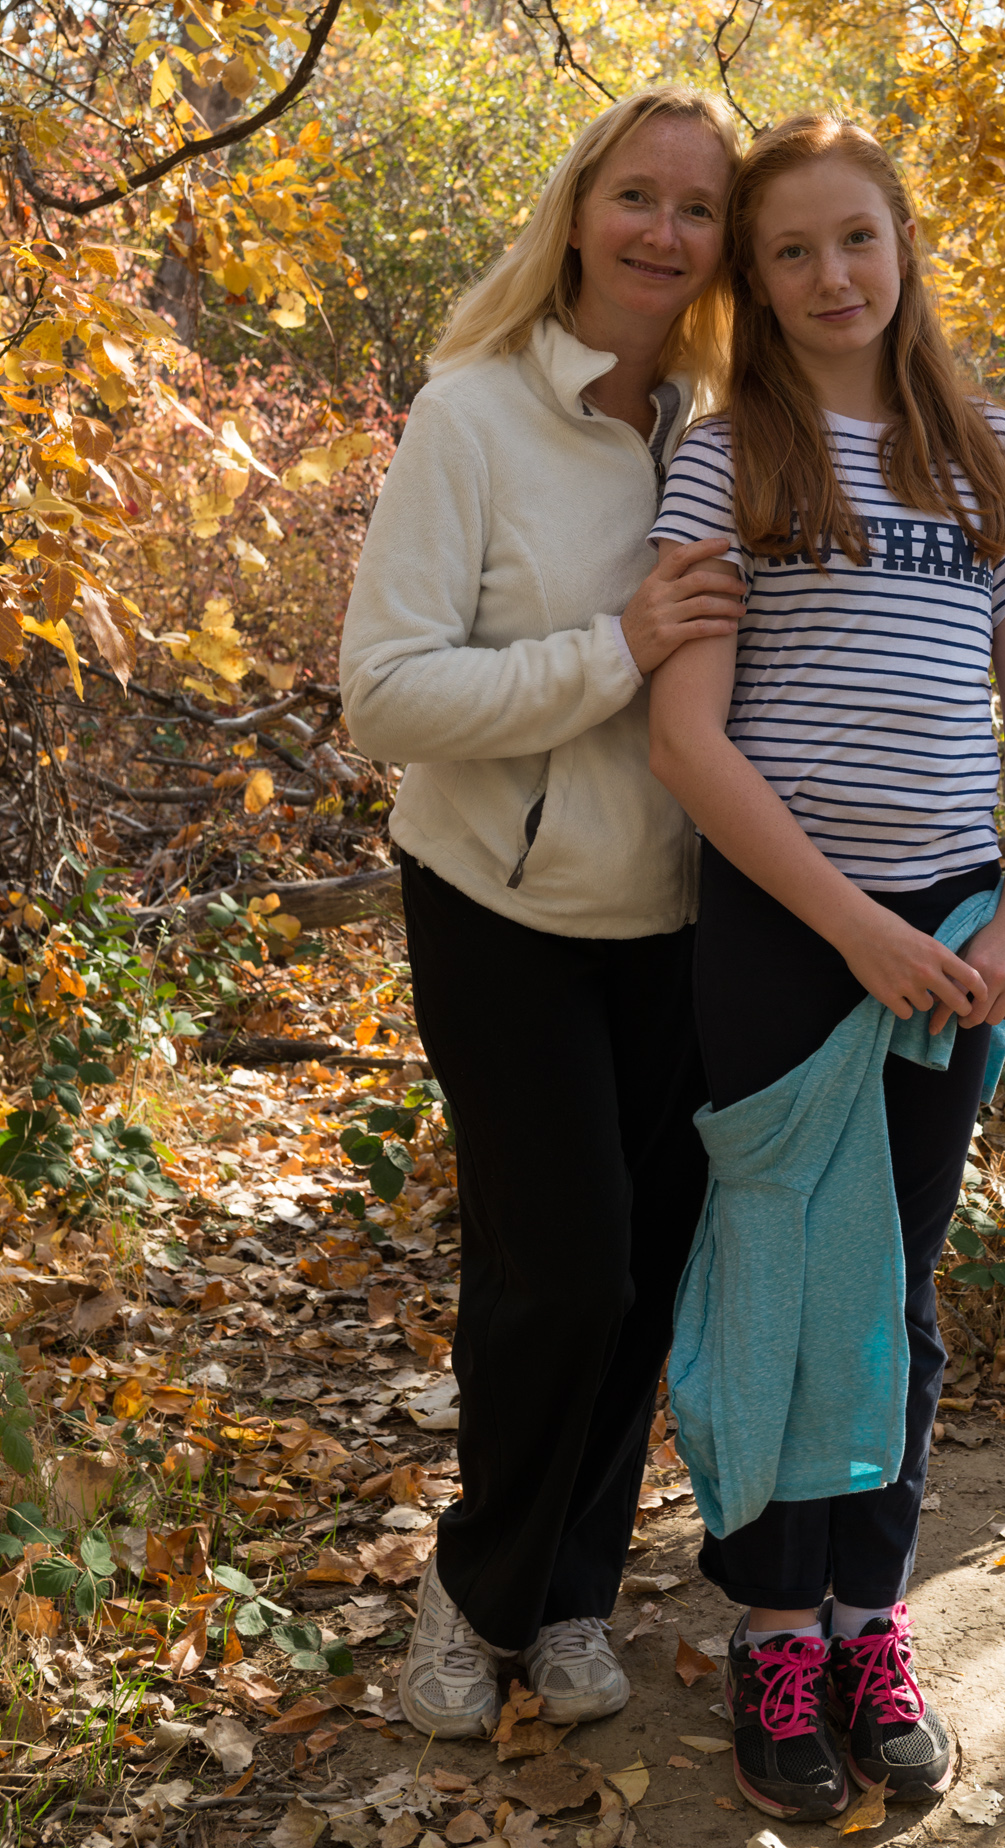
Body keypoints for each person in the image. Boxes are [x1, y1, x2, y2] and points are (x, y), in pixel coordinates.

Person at [647, 112, 1005, 1820]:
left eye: (857, 239)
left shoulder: (986, 452)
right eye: (790, 250)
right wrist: (849, 925)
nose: (831, 274)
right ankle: (772, 1634)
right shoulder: (725, 459)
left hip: (958, 929)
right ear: (754, 283)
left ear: (901, 247)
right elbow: (688, 739)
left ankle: (865, 1626)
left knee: (893, 1286)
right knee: (778, 1277)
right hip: (785, 933)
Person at [339, 85, 747, 1738]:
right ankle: (477, 1588)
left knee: (640, 1277)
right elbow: (384, 694)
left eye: (698, 208)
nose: (663, 231)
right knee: (558, 1273)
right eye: (637, 195)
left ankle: (573, 1588)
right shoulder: (475, 415)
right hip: (499, 910)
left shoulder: (725, 429)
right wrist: (616, 650)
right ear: (578, 210)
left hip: (683, 922)